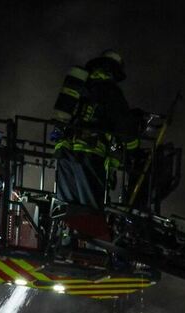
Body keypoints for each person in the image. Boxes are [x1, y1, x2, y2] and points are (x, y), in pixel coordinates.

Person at [54, 50, 145, 210]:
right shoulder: (110, 91)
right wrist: (134, 150)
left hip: (64, 152)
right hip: (89, 155)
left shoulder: (82, 87)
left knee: (67, 209)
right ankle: (86, 234)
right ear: (112, 71)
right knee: (91, 211)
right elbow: (124, 125)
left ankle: (64, 233)